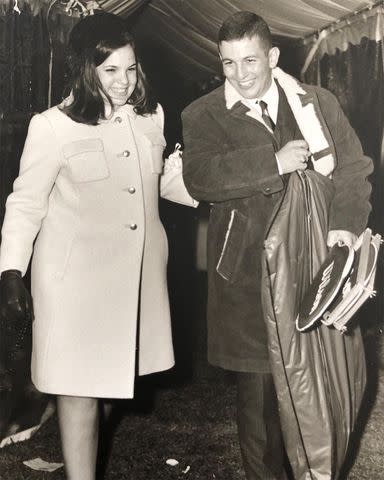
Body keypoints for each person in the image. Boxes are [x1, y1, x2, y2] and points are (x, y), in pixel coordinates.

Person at [0, 11, 194, 480]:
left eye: (131, 68)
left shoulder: (151, 118)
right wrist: (10, 272)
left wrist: (210, 177)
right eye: (110, 71)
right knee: (78, 390)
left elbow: (159, 185)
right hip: (73, 282)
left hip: (130, 281)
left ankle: (83, 461)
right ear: (86, 70)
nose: (124, 82)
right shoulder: (53, 126)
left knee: (107, 386)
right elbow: (26, 204)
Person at [181, 11, 373, 480]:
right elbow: (201, 177)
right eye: (228, 64)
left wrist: (344, 229)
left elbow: (354, 168)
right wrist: (274, 161)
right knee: (262, 410)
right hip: (247, 279)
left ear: (272, 56)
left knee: (324, 392)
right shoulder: (201, 114)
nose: (240, 75)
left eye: (250, 61)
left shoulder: (317, 103)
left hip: (315, 269)